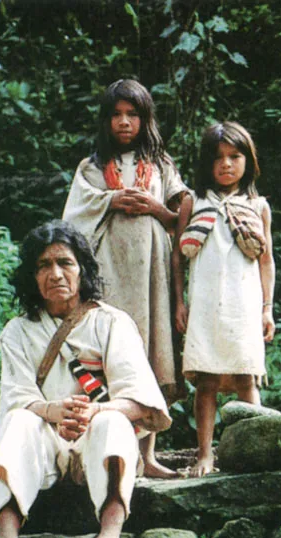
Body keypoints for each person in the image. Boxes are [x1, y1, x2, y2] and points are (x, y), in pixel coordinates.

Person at [0, 220, 172, 538]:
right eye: (43, 266)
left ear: (81, 268)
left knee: (115, 422)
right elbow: (17, 398)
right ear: (31, 277)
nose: (55, 274)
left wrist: (95, 410)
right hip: (45, 441)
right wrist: (55, 412)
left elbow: (141, 402)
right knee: (17, 421)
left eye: (65, 262)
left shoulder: (112, 322)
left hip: (97, 437)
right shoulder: (17, 332)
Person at [63, 78, 187, 478]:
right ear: (106, 120)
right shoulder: (92, 167)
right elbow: (73, 219)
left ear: (144, 118)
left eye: (132, 114)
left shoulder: (162, 165)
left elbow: (181, 218)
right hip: (109, 271)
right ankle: (110, 452)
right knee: (107, 354)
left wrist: (156, 207)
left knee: (151, 353)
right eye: (116, 115)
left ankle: (148, 456)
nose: (124, 122)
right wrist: (111, 199)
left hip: (153, 274)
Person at [172, 121, 276, 477]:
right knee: (207, 381)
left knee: (247, 377)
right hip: (204, 306)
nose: (227, 164)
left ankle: (256, 452)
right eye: (218, 158)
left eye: (235, 156)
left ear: (249, 160)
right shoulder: (193, 201)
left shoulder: (258, 205)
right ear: (206, 163)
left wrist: (267, 309)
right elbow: (177, 259)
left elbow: (266, 261)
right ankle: (205, 453)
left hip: (243, 307)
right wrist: (179, 303)